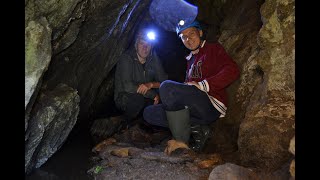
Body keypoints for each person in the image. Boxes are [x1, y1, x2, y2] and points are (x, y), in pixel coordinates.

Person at [143, 20, 240, 153]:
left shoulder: (212, 49)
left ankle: (181, 140)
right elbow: (186, 89)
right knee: (149, 113)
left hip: (210, 104)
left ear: (200, 33)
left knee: (166, 86)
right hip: (195, 109)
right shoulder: (190, 60)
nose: (188, 39)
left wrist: (204, 85)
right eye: (184, 37)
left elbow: (232, 70)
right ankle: (198, 130)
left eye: (191, 33)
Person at [114, 24, 168, 129]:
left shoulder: (154, 58)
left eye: (148, 44)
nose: (145, 48)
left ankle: (147, 125)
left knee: (164, 98)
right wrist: (152, 94)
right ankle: (126, 124)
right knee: (138, 100)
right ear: (136, 45)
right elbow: (128, 86)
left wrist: (151, 84)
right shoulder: (127, 58)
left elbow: (164, 82)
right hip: (125, 97)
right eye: (142, 44)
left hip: (145, 96)